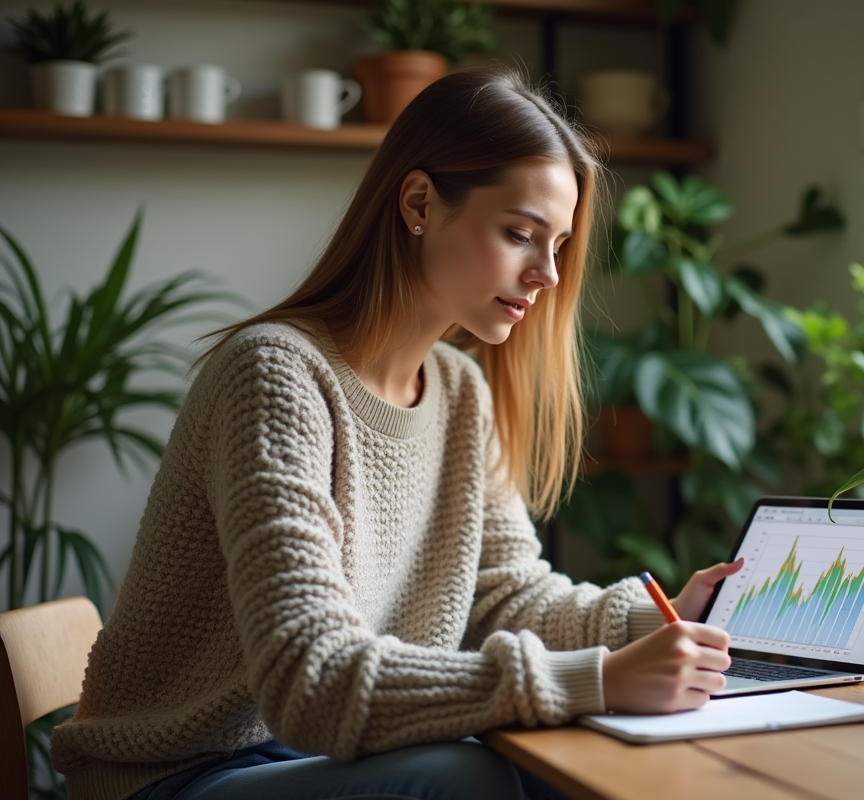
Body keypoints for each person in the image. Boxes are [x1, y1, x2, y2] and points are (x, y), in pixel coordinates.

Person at [50, 66, 743, 800]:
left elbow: (503, 599)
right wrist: (596, 680)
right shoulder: (275, 376)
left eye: (558, 246)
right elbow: (310, 677)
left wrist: (651, 619)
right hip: (177, 772)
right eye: (519, 234)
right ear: (418, 202)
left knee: (561, 768)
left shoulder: (459, 391)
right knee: (471, 776)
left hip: (307, 759)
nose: (545, 274)